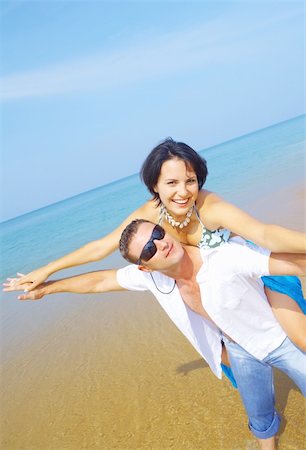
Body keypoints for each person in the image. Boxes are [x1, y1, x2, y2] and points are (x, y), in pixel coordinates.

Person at [5, 219, 306, 450]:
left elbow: (286, 261)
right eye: (149, 249)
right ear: (145, 268)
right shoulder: (155, 281)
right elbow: (99, 281)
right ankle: (268, 442)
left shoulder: (222, 255)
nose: (160, 245)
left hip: (279, 338)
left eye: (158, 234)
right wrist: (47, 288)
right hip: (239, 350)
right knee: (259, 413)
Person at [6, 138, 306, 352]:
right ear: (155, 186)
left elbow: (265, 233)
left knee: (299, 339)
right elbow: (100, 248)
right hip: (218, 296)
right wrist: (47, 271)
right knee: (232, 355)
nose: (183, 192)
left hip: (257, 272)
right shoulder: (150, 214)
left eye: (190, 180)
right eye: (172, 183)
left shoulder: (208, 205)